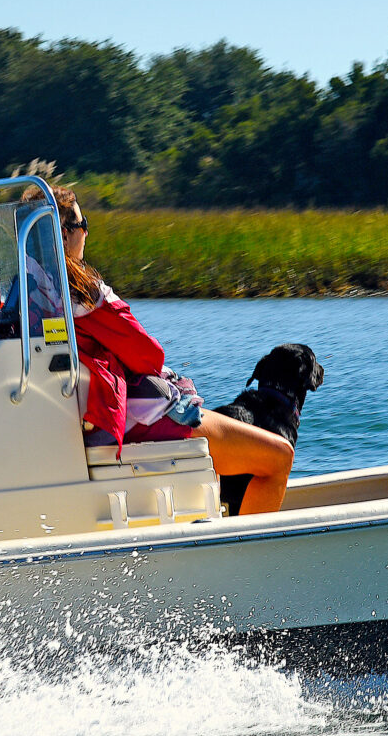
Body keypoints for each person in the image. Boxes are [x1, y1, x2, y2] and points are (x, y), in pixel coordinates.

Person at [46, 185, 294, 514]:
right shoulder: (82, 294)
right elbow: (150, 357)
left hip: (81, 426)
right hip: (134, 420)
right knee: (278, 457)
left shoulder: (26, 297)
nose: (87, 231)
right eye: (82, 223)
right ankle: (249, 560)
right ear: (63, 234)